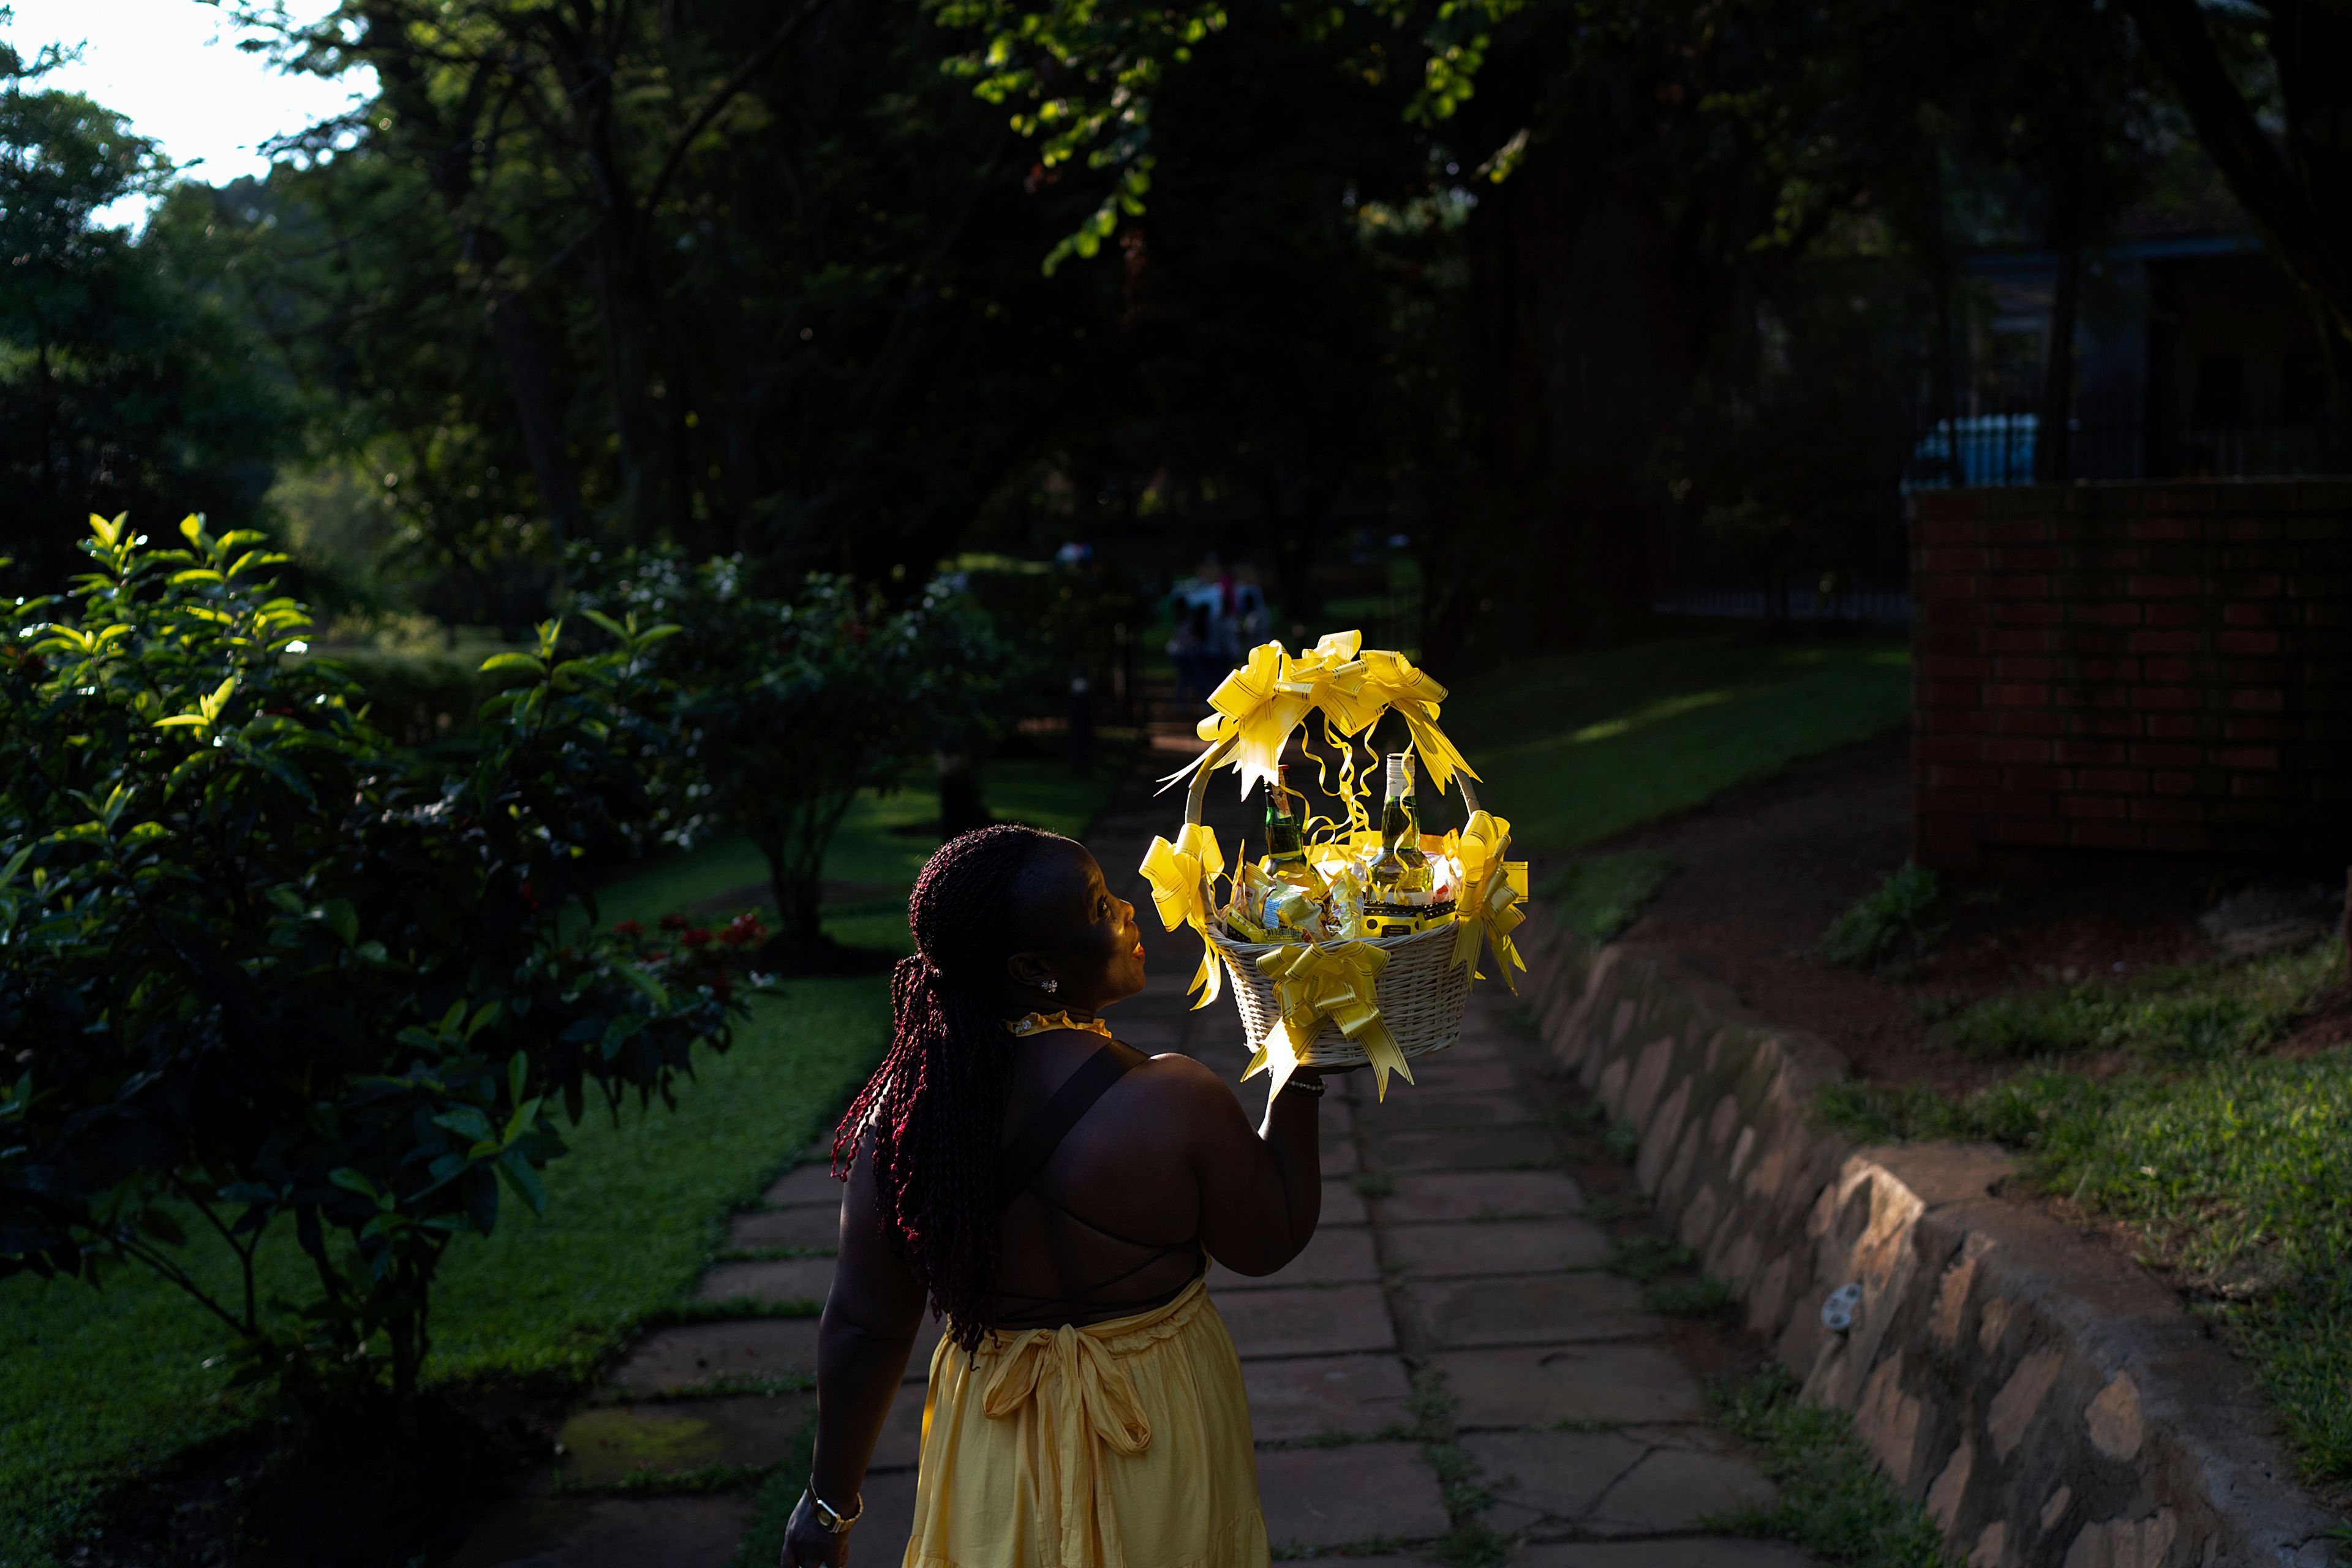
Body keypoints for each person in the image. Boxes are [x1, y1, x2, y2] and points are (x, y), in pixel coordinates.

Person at [784, 824, 1343, 1568]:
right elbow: (1268, 1240)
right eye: (1099, 905)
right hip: (1160, 1424)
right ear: (1035, 967)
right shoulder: (1175, 1100)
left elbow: (865, 1325)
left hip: (992, 1439)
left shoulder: (907, 1121)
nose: (1129, 908)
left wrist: (827, 1507)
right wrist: (1300, 1063)